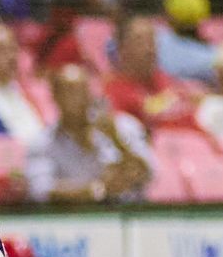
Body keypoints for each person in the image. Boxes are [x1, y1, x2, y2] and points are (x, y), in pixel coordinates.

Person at [26, 65, 156, 203]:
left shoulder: (123, 126)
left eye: (84, 90)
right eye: (71, 91)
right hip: (77, 220)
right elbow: (40, 190)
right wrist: (97, 190)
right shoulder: (44, 142)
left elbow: (146, 174)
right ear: (55, 97)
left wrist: (115, 138)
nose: (80, 98)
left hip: (129, 215)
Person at [102, 14, 199, 133]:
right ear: (122, 48)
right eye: (140, 41)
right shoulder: (114, 92)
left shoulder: (163, 78)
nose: (150, 48)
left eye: (152, 40)